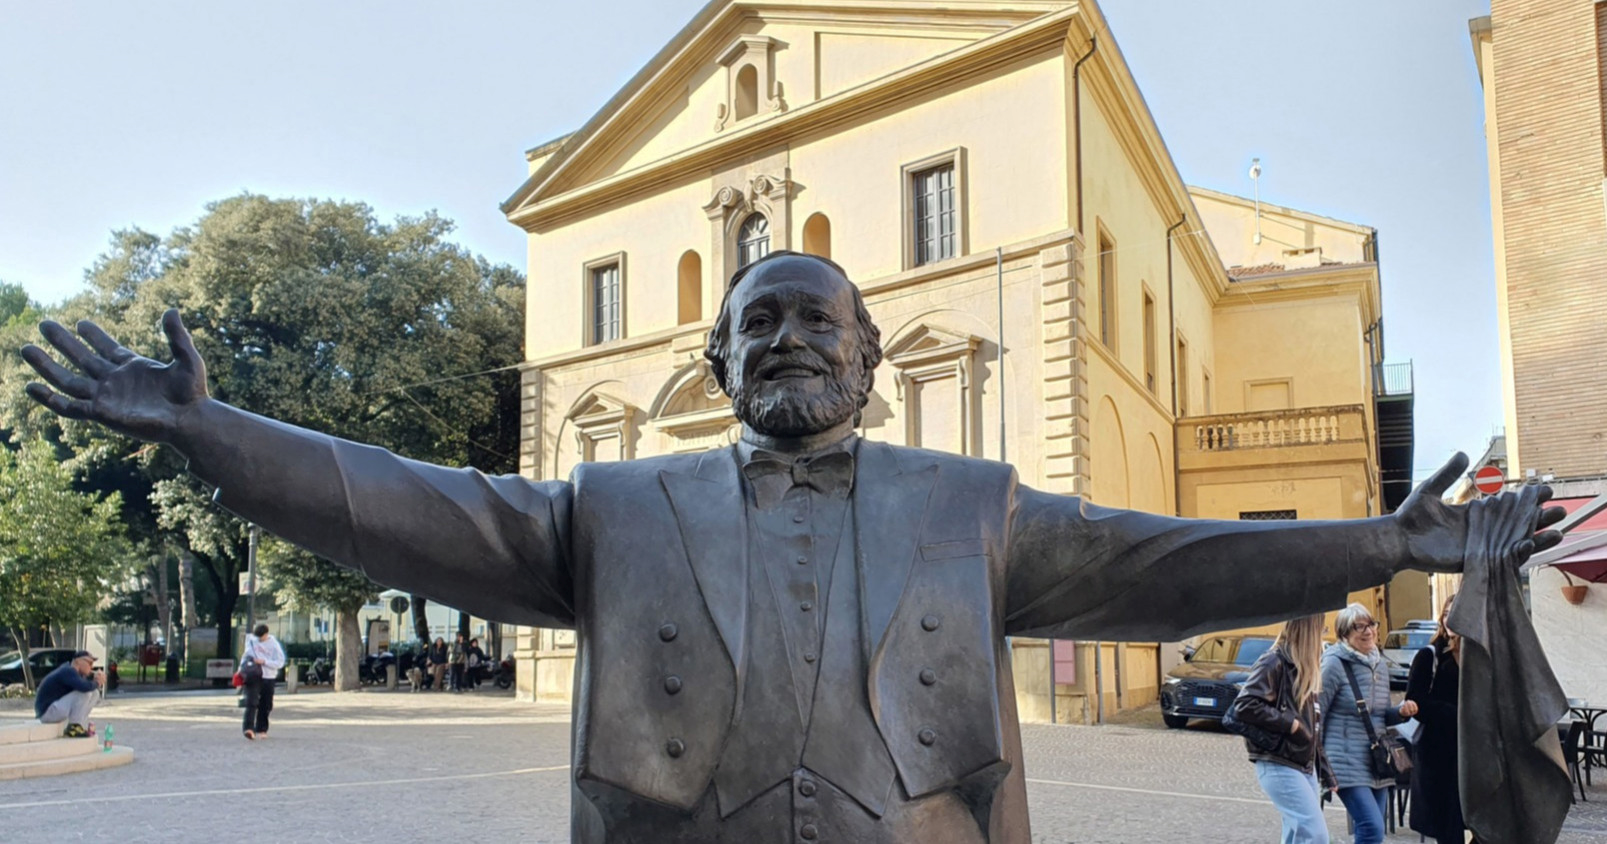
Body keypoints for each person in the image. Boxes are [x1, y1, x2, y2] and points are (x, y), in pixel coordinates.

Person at [19, 252, 1564, 843]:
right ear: (714, 358)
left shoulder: (972, 506)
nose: (784, 341)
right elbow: (402, 504)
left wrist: (1383, 543)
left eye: (813, 319)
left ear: (870, 357)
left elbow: (1167, 571)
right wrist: (223, 439)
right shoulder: (610, 510)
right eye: (754, 321)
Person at [1319, 603, 1418, 844]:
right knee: (1370, 826)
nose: (1368, 631)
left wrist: (1402, 712)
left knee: (1375, 830)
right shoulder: (1333, 664)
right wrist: (1318, 762)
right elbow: (1316, 713)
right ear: (1344, 633)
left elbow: (1381, 715)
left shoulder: (1379, 665)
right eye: (1358, 626)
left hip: (1377, 761)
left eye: (1370, 625)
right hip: (1344, 759)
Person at [1232, 614, 1335, 844]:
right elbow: (1245, 705)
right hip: (1278, 761)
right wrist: (1290, 723)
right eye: (1322, 628)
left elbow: (1314, 727)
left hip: (1302, 764)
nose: (1323, 634)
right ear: (1309, 630)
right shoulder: (1274, 661)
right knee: (1315, 834)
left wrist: (1326, 770)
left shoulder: (1304, 667)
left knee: (1295, 835)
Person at [1407, 595, 1470, 844]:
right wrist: (1456, 713)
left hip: (1470, 756)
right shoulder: (1429, 656)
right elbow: (1416, 703)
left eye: (1457, 612)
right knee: (1449, 830)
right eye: (1446, 613)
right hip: (1439, 758)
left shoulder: (1479, 657)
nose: (1450, 618)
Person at [34, 651, 104, 737]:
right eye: (89, 663)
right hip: (47, 712)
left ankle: (79, 725)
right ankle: (74, 726)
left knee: (95, 693)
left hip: (54, 709)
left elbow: (87, 685)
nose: (91, 667)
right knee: (85, 693)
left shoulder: (75, 673)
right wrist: (97, 682)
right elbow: (84, 687)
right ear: (78, 661)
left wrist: (95, 680)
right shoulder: (68, 671)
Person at [241, 623, 286, 740]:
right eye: (258, 637)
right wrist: (240, 671)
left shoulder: (274, 644)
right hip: (254, 675)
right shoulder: (251, 641)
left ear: (266, 634)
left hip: (268, 676)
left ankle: (261, 728)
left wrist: (264, 661)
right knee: (251, 702)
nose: (259, 639)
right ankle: (248, 728)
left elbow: (280, 662)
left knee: (266, 704)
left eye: (262, 637)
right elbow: (245, 657)